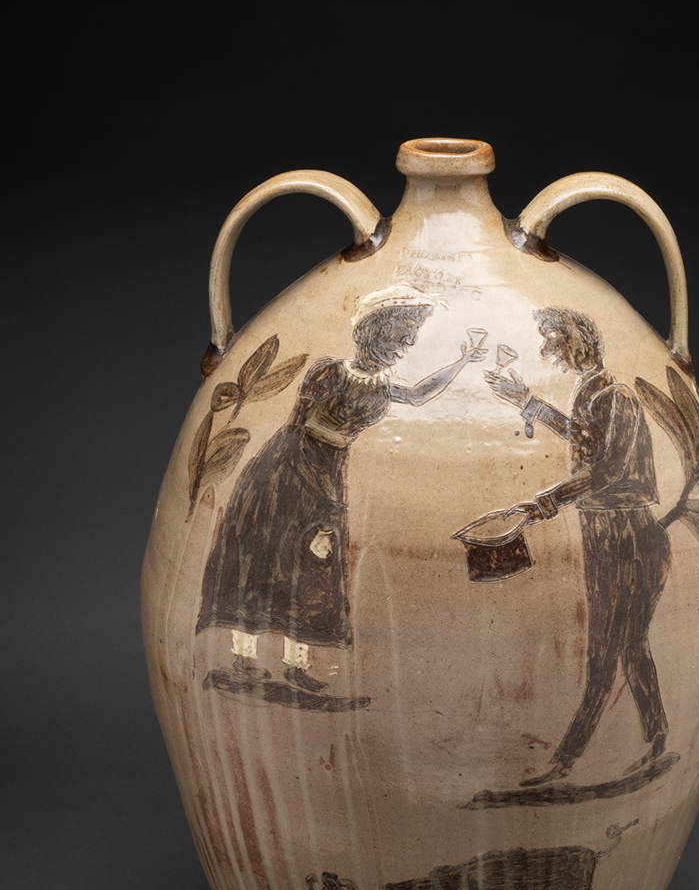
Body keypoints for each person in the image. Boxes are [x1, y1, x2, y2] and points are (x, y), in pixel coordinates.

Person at [198, 285, 486, 704]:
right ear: (375, 331)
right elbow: (295, 427)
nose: (406, 344)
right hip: (286, 470)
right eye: (401, 332)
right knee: (265, 555)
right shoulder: (330, 371)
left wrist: (462, 360)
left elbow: (419, 394)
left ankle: (296, 666)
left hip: (330, 469)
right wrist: (313, 494)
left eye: (411, 335)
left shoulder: (381, 386)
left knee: (313, 568)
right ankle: (244, 658)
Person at [484, 306, 671, 784]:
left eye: (553, 339)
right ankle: (656, 740)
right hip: (602, 532)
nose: (547, 348)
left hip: (629, 534)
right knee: (625, 646)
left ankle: (567, 760)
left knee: (610, 650)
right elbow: (583, 438)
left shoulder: (618, 395)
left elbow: (607, 468)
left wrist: (543, 502)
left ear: (577, 341)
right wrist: (529, 402)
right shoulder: (591, 391)